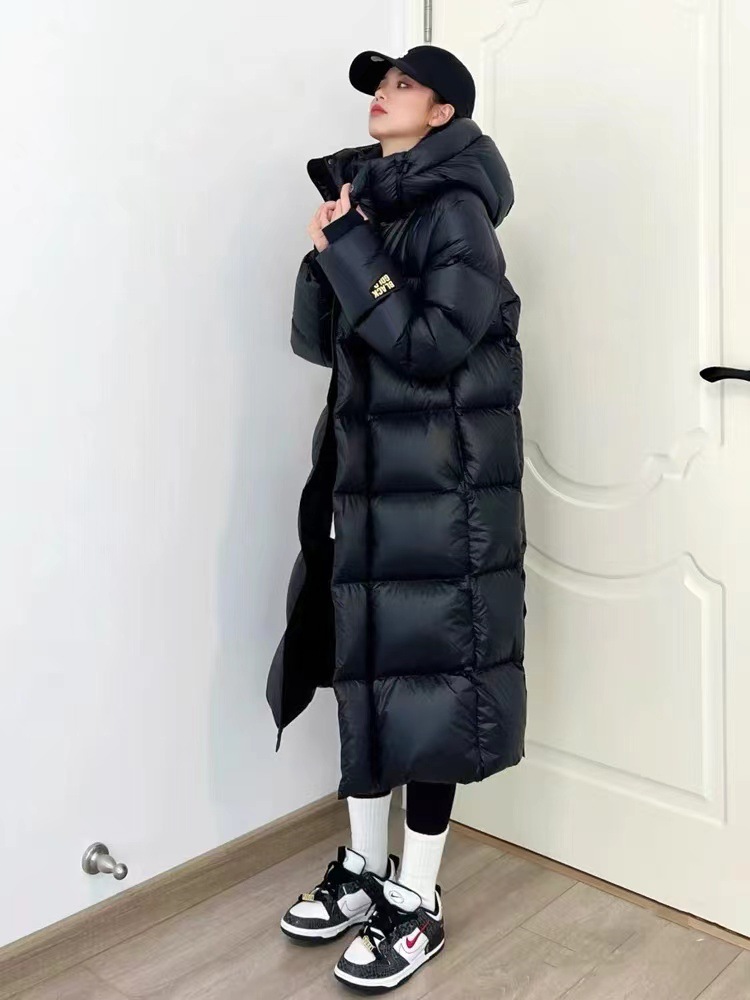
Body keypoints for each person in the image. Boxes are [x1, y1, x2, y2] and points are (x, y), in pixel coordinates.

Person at [267, 44, 526, 991]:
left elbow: (428, 347)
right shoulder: (371, 205)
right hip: (366, 479)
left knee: (429, 685)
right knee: (364, 666)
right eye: (380, 86)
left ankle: (418, 897)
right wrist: (330, 248)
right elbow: (317, 345)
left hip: (442, 493)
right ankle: (365, 869)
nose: (384, 96)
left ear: (444, 112)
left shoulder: (459, 214)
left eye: (403, 85)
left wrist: (353, 250)